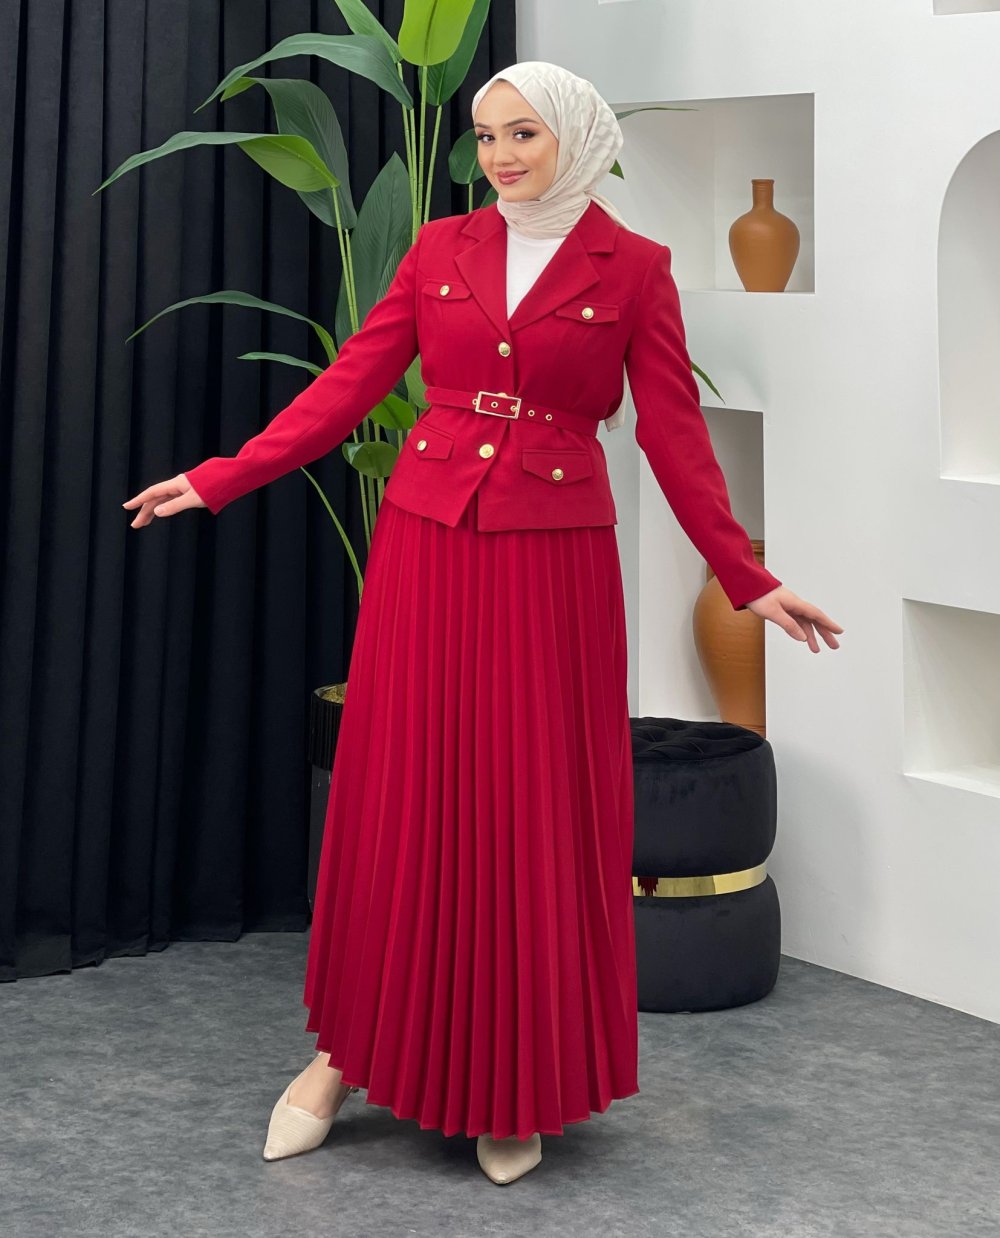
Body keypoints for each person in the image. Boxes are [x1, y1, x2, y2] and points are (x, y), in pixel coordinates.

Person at [123, 60, 843, 1186]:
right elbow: (349, 386)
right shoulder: (438, 248)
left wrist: (744, 575)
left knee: (530, 808)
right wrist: (221, 477)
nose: (501, 156)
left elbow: (673, 435)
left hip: (553, 563)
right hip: (427, 546)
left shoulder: (636, 269)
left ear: (575, 138)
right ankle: (342, 1054)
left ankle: (515, 1080)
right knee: (402, 794)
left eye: (524, 134)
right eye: (488, 135)